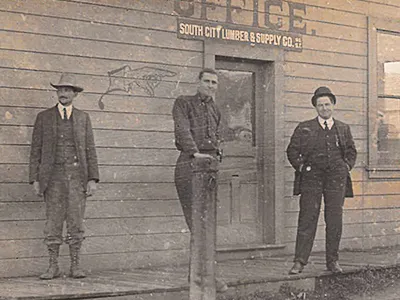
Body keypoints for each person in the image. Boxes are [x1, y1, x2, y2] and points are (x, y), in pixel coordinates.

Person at [29, 73, 99, 280]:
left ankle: (75, 266)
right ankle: (53, 267)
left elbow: (90, 149)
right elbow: (35, 150)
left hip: (77, 178)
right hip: (52, 179)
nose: (63, 94)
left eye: (67, 90)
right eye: (60, 90)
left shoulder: (83, 118)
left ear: (75, 94)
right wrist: (35, 179)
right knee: (53, 222)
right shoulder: (44, 117)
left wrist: (92, 179)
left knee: (76, 222)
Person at [286, 86, 357, 275]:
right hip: (312, 178)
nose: (324, 108)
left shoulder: (343, 128)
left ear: (333, 105)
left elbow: (351, 151)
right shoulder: (304, 127)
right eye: (320, 105)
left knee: (334, 219)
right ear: (315, 107)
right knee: (308, 218)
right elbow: (292, 151)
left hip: (336, 179)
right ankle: (300, 261)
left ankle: (332, 261)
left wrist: (346, 167)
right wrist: (302, 167)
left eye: (327, 104)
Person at [172, 68, 227, 292]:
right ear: (198, 82)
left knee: (207, 225)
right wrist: (195, 153)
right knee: (196, 225)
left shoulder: (215, 109)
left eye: (214, 83)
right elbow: (182, 130)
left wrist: (218, 153)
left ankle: (206, 275)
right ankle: (201, 278)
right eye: (207, 81)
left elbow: (219, 135)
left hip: (210, 169)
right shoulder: (183, 103)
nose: (211, 86)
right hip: (189, 165)